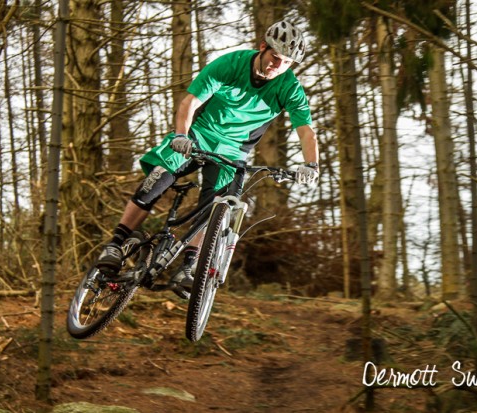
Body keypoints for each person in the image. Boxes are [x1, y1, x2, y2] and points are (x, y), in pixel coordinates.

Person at [96, 20, 319, 293]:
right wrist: (181, 135)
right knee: (157, 180)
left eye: (287, 62)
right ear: (263, 47)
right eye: (275, 57)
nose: (278, 65)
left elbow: (306, 131)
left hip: (233, 150)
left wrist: (311, 165)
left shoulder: (289, 87)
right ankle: (115, 244)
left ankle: (189, 266)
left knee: (214, 207)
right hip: (198, 134)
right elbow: (190, 102)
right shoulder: (230, 64)